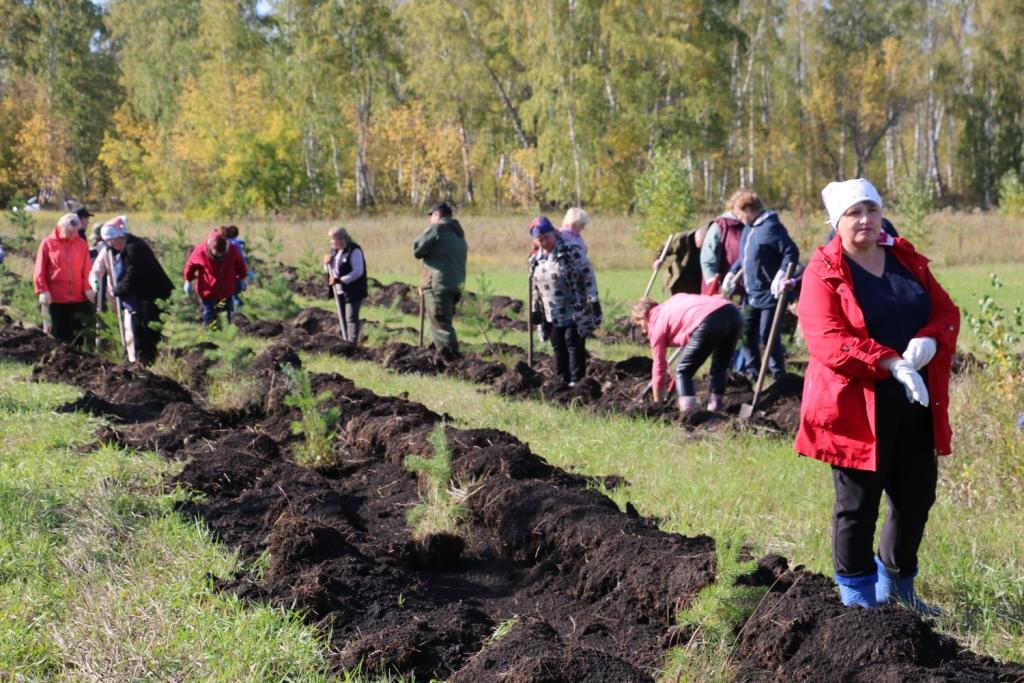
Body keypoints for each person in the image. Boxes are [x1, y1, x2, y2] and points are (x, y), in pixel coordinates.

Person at [795, 178, 959, 613]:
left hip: (916, 405)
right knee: (857, 506)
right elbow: (828, 341)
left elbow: (946, 311)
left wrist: (928, 340)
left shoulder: (905, 259)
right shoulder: (823, 272)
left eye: (871, 209)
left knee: (915, 499)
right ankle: (858, 603)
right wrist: (891, 362)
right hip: (855, 411)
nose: (865, 219)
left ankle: (899, 590)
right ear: (836, 222)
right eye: (853, 213)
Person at [722, 190, 800, 380]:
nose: (738, 218)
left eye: (739, 213)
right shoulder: (749, 228)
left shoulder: (771, 227)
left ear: (749, 209)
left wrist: (781, 273)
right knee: (745, 333)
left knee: (768, 337)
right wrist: (732, 274)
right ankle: (752, 373)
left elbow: (791, 251)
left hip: (770, 295)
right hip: (751, 294)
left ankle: (778, 376)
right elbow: (743, 257)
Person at [632, 294, 742, 414]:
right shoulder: (673, 301)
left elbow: (659, 366)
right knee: (720, 366)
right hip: (732, 313)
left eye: (640, 324)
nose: (643, 330)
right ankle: (714, 409)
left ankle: (688, 414)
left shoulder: (655, 323)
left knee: (683, 371)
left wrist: (657, 403)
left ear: (645, 315)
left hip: (708, 320)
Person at [528, 216, 601, 386]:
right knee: (558, 345)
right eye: (540, 240)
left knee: (573, 342)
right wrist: (534, 309)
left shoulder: (570, 251)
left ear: (554, 233)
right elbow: (534, 287)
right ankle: (561, 381)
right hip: (551, 311)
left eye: (547, 237)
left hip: (574, 307)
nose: (544, 242)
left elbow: (587, 273)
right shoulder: (535, 260)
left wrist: (593, 299)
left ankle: (577, 383)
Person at [99, 222, 174, 365]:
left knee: (147, 334)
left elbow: (133, 276)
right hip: (142, 297)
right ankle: (137, 361)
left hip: (154, 297)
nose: (111, 246)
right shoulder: (128, 246)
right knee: (137, 330)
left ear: (118, 238)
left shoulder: (135, 249)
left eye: (111, 242)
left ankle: (147, 364)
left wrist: (117, 290)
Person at [413, 201, 467, 353]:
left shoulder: (437, 228)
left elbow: (417, 249)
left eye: (431, 216)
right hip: (456, 284)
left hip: (437, 284)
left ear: (437, 214)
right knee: (444, 322)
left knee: (441, 327)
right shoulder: (458, 233)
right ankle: (438, 353)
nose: (430, 219)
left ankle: (451, 361)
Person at [33, 213, 95, 345]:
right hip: (56, 300)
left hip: (78, 299)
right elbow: (39, 269)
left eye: (76, 232)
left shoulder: (82, 244)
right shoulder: (47, 244)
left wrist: (88, 288)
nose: (73, 234)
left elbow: (87, 269)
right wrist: (42, 290)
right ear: (60, 227)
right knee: (57, 337)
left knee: (76, 337)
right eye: (70, 231)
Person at [183, 228, 248, 325]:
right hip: (208, 290)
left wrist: (242, 278)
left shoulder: (232, 249)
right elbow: (190, 265)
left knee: (225, 313)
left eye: (223, 254)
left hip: (226, 289)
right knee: (209, 312)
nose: (220, 256)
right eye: (217, 254)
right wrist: (188, 281)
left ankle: (225, 335)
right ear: (211, 248)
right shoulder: (201, 251)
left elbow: (240, 264)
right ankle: (210, 333)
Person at [324, 227, 368, 343]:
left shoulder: (354, 251)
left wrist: (341, 280)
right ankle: (345, 341)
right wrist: (326, 263)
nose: (331, 242)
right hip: (339, 290)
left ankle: (352, 343)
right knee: (342, 317)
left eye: (333, 239)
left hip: (353, 290)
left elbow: (358, 271)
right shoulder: (335, 252)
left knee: (351, 317)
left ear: (340, 239)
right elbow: (330, 270)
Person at [699, 202, 746, 295]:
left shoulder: (751, 226)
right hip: (718, 290)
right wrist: (714, 284)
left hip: (744, 291)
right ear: (734, 207)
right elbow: (707, 258)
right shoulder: (721, 225)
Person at [652, 226, 706, 295]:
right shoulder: (682, 238)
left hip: (699, 279)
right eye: (699, 244)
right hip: (681, 279)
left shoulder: (711, 239)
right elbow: (664, 248)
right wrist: (657, 260)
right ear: (696, 238)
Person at [89, 215, 129, 298]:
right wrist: (96, 285)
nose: (110, 242)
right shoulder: (106, 252)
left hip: (131, 294)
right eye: (107, 240)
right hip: (113, 295)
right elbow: (96, 272)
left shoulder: (131, 249)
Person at [222, 225, 254, 309]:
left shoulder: (222, 243)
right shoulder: (237, 243)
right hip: (236, 272)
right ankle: (239, 310)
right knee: (237, 293)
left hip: (226, 272)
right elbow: (242, 259)